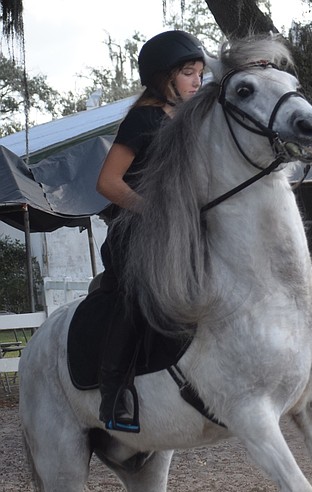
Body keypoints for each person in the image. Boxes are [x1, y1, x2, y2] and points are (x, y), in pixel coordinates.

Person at [95, 30, 205, 432]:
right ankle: (113, 394)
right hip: (135, 231)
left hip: (182, 228)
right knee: (136, 295)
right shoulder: (143, 119)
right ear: (164, 77)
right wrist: (153, 212)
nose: (198, 81)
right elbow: (107, 183)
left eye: (200, 73)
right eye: (189, 73)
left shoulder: (194, 120)